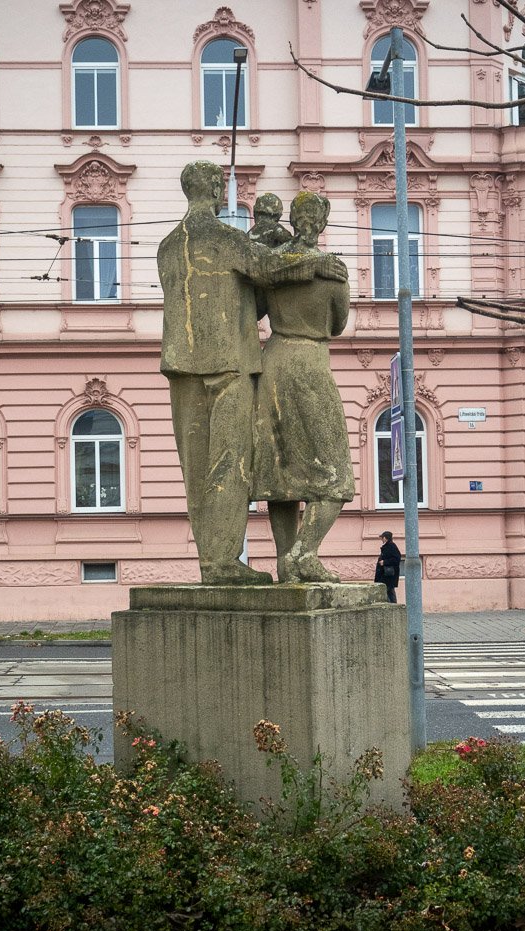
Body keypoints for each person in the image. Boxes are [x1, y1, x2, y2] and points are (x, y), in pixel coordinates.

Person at [157, 162, 348, 585]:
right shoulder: (226, 239)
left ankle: (211, 563)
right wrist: (318, 263)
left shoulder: (167, 246)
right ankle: (224, 562)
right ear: (215, 188)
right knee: (229, 462)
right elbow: (268, 268)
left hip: (180, 364)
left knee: (195, 469)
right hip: (229, 365)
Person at [251, 191, 354, 583]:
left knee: (281, 474)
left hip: (273, 361)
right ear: (322, 223)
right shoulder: (333, 269)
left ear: (292, 220)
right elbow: (337, 324)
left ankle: (285, 565)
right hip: (310, 363)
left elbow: (255, 307)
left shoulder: (275, 262)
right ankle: (304, 553)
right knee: (335, 474)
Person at [374, 531, 402, 603]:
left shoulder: (391, 546)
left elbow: (397, 558)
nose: (381, 539)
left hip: (388, 574)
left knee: (387, 590)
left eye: (382, 537)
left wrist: (385, 562)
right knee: (389, 590)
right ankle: (393, 605)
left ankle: (392, 606)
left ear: (385, 538)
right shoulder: (387, 546)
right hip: (386, 573)